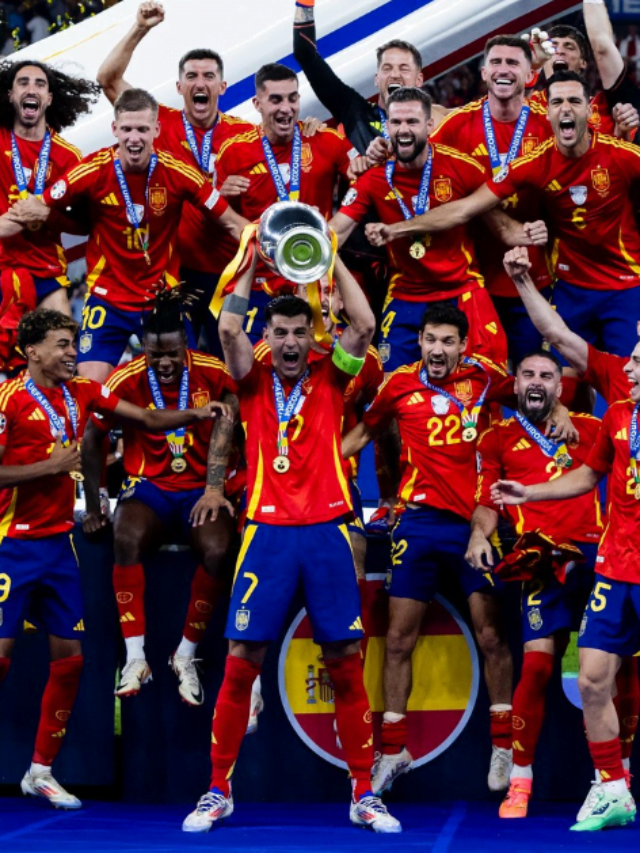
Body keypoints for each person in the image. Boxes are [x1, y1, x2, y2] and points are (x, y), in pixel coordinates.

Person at [181, 245, 401, 834]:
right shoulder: (250, 381)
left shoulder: (332, 376)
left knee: (345, 664)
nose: (290, 344)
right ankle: (217, 789)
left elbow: (364, 323)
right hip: (267, 536)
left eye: (300, 333)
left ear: (311, 335)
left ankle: (362, 793)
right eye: (280, 333)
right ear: (268, 335)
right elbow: (228, 324)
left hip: (329, 532)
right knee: (240, 662)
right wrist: (251, 258)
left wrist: (331, 257)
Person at [0, 308, 228, 810]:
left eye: (73, 343)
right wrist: (51, 467)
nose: (72, 354)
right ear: (31, 351)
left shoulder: (81, 391)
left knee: (71, 663)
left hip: (59, 547)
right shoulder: (9, 400)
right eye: (61, 345)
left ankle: (39, 771)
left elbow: (144, 419)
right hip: (9, 544)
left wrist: (194, 415)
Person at [342, 302, 524, 795]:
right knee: (399, 639)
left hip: (476, 526)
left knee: (492, 636)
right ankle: (394, 748)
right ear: (418, 341)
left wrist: (565, 418)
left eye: (447, 341)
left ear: (463, 344)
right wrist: (321, 461)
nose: (438, 350)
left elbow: (533, 398)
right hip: (417, 525)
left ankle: (504, 746)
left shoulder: (485, 378)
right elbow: (365, 431)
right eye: (429, 340)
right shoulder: (399, 383)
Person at [366, 72, 640, 359]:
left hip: (624, 285)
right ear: (547, 112)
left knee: (628, 379)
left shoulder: (622, 156)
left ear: (588, 109)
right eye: (557, 101)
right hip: (570, 288)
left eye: (574, 101)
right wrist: (395, 223)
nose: (566, 108)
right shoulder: (533, 163)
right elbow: (466, 207)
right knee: (566, 384)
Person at [501, 245, 640, 812]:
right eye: (627, 358)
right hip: (613, 564)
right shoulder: (619, 401)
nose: (623, 369)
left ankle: (618, 777)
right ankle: (611, 789)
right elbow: (557, 335)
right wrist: (522, 280)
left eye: (636, 359)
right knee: (590, 677)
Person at [6, 87, 247, 383]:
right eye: (128, 129)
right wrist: (32, 214)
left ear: (156, 129)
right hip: (108, 297)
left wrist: (275, 245)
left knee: (185, 385)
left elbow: (234, 224)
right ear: (115, 129)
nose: (135, 138)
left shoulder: (180, 172)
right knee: (88, 387)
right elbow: (36, 206)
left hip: (163, 296)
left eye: (143, 129)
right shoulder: (92, 170)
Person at [81, 290, 238, 704]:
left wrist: (218, 486)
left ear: (185, 344)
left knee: (220, 550)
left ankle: (185, 655)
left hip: (199, 492)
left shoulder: (213, 371)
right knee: (125, 535)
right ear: (143, 348)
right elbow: (92, 435)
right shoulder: (126, 377)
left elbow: (236, 424)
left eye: (171, 353)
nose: (164, 364)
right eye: (155, 355)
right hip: (149, 488)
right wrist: (95, 503)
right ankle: (135, 658)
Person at [467, 349, 603, 817]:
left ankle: (610, 780)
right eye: (528, 374)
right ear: (516, 383)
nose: (537, 382)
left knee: (609, 672)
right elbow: (487, 502)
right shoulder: (495, 437)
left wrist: (567, 414)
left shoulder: (590, 428)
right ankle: (520, 783)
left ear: (561, 387)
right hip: (538, 559)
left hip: (593, 556)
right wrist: (478, 535)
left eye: (547, 375)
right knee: (538, 668)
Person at [331, 86, 547, 373]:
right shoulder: (373, 179)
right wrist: (302, 242)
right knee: (392, 391)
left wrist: (531, 231)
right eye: (395, 122)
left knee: (488, 383)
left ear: (430, 125)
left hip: (463, 288)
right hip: (406, 295)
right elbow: (337, 231)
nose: (403, 130)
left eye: (412, 122)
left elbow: (503, 229)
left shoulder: (461, 167)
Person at [97, 1, 255, 349]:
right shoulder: (158, 123)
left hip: (230, 274)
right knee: (175, 365)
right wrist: (140, 28)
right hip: (174, 274)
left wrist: (313, 124)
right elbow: (106, 79)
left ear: (223, 87)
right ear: (179, 86)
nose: (201, 83)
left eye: (209, 76)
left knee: (225, 365)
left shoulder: (246, 135)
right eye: (192, 77)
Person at [429, 36, 555, 364]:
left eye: (513, 63)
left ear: (530, 75)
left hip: (535, 278)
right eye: (496, 62)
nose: (503, 69)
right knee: (480, 378)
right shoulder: (455, 126)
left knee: (534, 374)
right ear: (484, 72)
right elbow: (417, 169)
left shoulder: (548, 126)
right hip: (474, 282)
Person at [211, 62, 358, 344]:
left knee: (320, 366)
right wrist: (224, 195)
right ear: (257, 104)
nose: (286, 108)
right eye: (275, 99)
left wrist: (337, 227)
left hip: (315, 283)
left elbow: (364, 181)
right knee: (253, 370)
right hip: (260, 285)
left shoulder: (325, 140)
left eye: (293, 98)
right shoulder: (235, 151)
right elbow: (218, 217)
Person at [0, 59, 99, 319]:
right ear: (10, 95)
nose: (31, 89)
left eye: (39, 84)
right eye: (23, 83)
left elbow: (88, 223)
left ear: (49, 98)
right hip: (1, 268)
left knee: (63, 353)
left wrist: (47, 216)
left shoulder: (68, 157)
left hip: (46, 270)